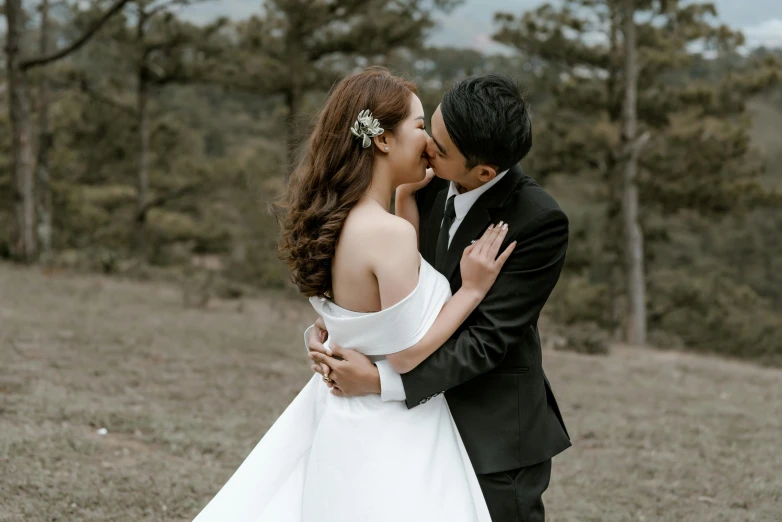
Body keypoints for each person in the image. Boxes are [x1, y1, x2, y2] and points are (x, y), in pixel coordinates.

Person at [193, 67, 514, 522]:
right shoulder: (388, 235)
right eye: (421, 127)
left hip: (341, 417)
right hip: (394, 428)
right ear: (383, 140)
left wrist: (404, 197)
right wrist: (472, 290)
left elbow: (370, 312)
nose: (427, 142)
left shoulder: (340, 219)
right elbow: (406, 354)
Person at [307, 74, 571, 522]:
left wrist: (380, 383)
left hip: (491, 432)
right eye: (431, 127)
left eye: (442, 148)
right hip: (408, 431)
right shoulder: (418, 184)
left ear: (484, 172)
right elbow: (394, 298)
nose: (427, 145)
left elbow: (487, 340)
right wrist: (333, 331)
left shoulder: (538, 221)